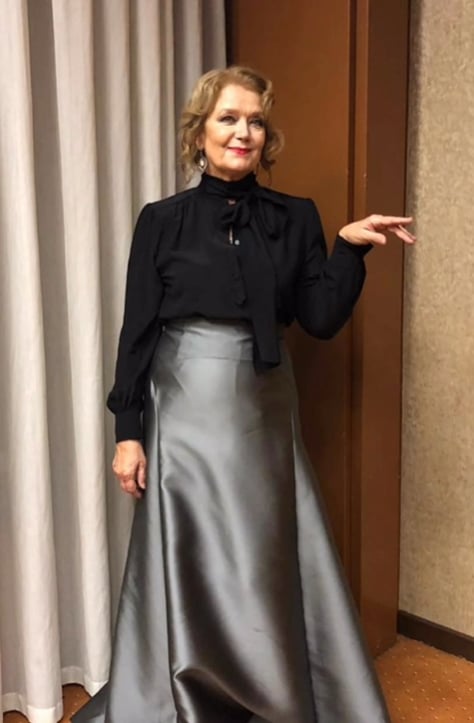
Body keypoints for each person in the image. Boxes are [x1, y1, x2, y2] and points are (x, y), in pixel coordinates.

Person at [73, 65, 414, 723]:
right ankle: (187, 692)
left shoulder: (295, 218)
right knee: (194, 553)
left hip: (264, 407)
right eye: (228, 118)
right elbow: (137, 332)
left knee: (262, 553)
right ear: (199, 132)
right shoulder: (162, 221)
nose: (244, 132)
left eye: (255, 121)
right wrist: (127, 432)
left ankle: (270, 689)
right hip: (185, 407)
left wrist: (349, 252)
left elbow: (319, 318)